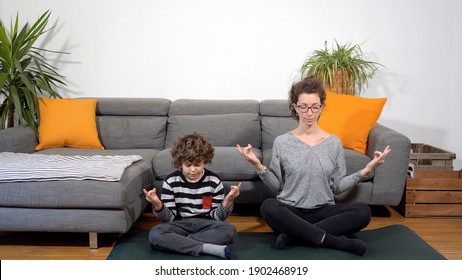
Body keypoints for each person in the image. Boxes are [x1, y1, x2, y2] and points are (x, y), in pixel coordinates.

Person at [236, 76, 390, 256]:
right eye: (303, 107)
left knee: (363, 211)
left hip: (324, 210)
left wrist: (367, 170)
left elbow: (337, 187)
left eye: (314, 107)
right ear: (295, 107)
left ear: (322, 107)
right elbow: (278, 187)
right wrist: (258, 165)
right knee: (268, 206)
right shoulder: (282, 142)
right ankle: (331, 240)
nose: (309, 113)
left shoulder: (333, 143)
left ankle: (294, 236)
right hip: (290, 210)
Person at [144, 132, 241, 259]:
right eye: (188, 165)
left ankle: (175, 243)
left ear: (204, 162)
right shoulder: (171, 181)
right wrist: (157, 204)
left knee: (230, 231)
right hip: (180, 224)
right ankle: (206, 247)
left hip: (206, 225)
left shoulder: (214, 181)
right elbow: (170, 218)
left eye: (197, 164)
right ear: (180, 163)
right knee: (155, 233)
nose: (193, 170)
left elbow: (217, 218)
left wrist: (228, 201)